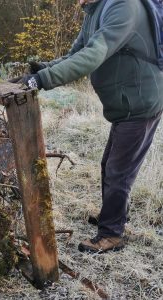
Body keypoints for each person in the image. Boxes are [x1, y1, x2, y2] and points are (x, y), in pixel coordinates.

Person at [22, 0, 163, 253]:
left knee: (119, 170)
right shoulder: (94, 10)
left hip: (142, 103)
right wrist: (43, 69)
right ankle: (114, 215)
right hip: (126, 103)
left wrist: (42, 81)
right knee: (110, 164)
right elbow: (76, 52)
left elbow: (92, 55)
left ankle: (112, 234)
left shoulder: (124, 6)